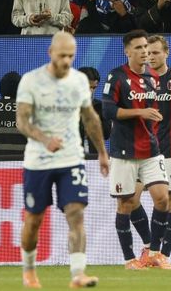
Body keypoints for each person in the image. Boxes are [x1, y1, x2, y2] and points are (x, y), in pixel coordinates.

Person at [16, 32, 109, 288]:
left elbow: (89, 117)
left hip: (71, 158)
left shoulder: (79, 81)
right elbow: (22, 120)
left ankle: (78, 274)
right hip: (38, 161)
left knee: (76, 213)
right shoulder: (31, 81)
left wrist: (102, 152)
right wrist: (45, 139)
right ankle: (29, 270)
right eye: (62, 55)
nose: (66, 61)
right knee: (34, 220)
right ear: (50, 53)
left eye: (71, 56)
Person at [102, 29, 171, 270]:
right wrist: (140, 112)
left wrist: (151, 118)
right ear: (127, 51)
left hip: (150, 149)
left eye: (146, 47)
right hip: (124, 151)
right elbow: (108, 111)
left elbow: (150, 110)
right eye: (139, 48)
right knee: (126, 204)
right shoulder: (117, 76)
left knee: (163, 198)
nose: (144, 52)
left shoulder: (153, 78)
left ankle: (154, 253)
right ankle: (129, 259)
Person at [132, 35, 171, 266]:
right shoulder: (137, 80)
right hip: (142, 151)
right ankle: (150, 246)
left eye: (156, 52)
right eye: (148, 53)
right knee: (130, 199)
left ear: (167, 53)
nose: (151, 57)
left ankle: (163, 256)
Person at [77, 67, 111, 155]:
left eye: (94, 87)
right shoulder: (67, 106)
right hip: (71, 157)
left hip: (95, 157)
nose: (91, 91)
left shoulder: (101, 106)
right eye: (88, 87)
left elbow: (107, 134)